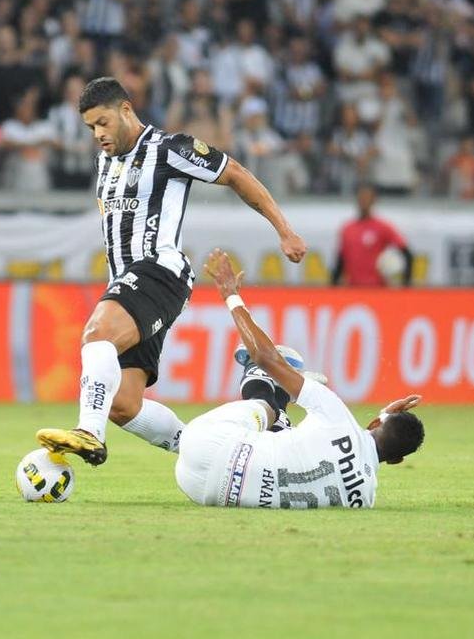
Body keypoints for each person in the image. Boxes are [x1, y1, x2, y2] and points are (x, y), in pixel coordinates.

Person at [36, 77, 308, 466]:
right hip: (128, 281)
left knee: (97, 334)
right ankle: (217, 451)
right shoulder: (104, 161)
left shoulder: (170, 148)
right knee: (123, 405)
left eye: (103, 123)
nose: (97, 134)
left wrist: (285, 230)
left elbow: (236, 174)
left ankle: (88, 433)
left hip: (159, 270)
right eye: (91, 127)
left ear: (126, 110)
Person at [174, 249, 425, 509]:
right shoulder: (364, 499)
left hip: (204, 442)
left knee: (267, 407)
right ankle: (282, 400)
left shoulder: (336, 413)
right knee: (289, 441)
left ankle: (274, 394)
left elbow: (264, 356)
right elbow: (357, 448)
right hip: (209, 493)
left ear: (374, 422)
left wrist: (231, 295)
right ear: (396, 460)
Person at [331, 184, 413, 287]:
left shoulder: (383, 227)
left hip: (377, 290)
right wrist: (333, 286)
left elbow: (407, 254)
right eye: (361, 197)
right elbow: (340, 261)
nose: (363, 201)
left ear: (374, 200)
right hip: (353, 289)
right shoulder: (347, 228)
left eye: (367, 197)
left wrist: (406, 283)